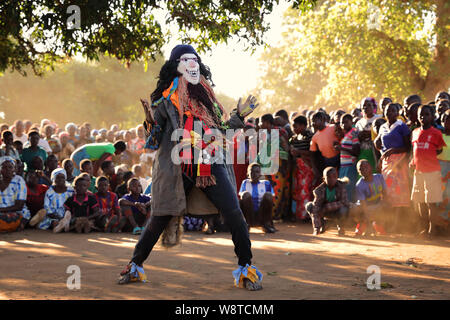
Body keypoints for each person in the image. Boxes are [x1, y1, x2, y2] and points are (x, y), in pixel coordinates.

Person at [117, 44, 263, 291]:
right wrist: (150, 123)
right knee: (161, 216)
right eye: (186, 59)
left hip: (211, 161)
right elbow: (153, 142)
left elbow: (223, 130)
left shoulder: (209, 99)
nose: (192, 63)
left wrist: (239, 115)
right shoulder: (164, 101)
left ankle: (246, 269)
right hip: (178, 166)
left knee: (234, 213)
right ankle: (134, 265)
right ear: (176, 66)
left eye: (194, 59)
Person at [410, 104, 446, 239]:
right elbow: (414, 150)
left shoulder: (436, 133)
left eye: (426, 114)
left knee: (431, 202)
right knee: (420, 202)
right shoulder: (415, 132)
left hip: (431, 172)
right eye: (421, 114)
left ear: (432, 117)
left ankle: (432, 229)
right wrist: (413, 161)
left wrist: (428, 157)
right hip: (418, 172)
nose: (423, 117)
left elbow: (440, 150)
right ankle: (423, 227)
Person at [375, 103, 411, 233]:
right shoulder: (383, 127)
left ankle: (398, 225)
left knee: (399, 194)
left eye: (392, 111)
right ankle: (389, 224)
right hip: (387, 162)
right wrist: (379, 147)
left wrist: (393, 150)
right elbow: (379, 142)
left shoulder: (402, 126)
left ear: (397, 112)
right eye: (387, 111)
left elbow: (408, 147)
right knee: (387, 192)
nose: (389, 113)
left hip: (399, 162)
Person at [258, 113, 292, 222]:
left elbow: (286, 147)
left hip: (279, 164)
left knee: (278, 189)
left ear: (267, 123)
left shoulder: (279, 132)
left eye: (262, 122)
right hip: (267, 164)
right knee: (268, 188)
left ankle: (276, 215)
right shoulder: (264, 133)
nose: (260, 124)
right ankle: (269, 214)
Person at [305, 167, 350, 236]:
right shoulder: (319, 190)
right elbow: (316, 208)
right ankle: (322, 225)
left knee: (344, 209)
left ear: (337, 177)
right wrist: (316, 228)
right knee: (310, 206)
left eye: (334, 177)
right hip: (324, 212)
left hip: (335, 211)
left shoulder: (341, 187)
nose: (332, 179)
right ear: (324, 179)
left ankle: (341, 227)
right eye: (329, 177)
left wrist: (327, 207)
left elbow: (344, 202)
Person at [354, 160, 388, 237]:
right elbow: (363, 206)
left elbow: (385, 194)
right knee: (356, 209)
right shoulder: (359, 185)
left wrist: (384, 203)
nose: (364, 170)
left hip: (377, 205)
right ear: (359, 172)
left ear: (371, 167)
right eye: (361, 169)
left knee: (386, 206)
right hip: (365, 207)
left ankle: (378, 225)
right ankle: (362, 226)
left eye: (366, 167)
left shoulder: (379, 177)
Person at [239, 163, 275, 233]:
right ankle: (246, 224)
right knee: (245, 195)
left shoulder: (266, 183)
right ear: (248, 174)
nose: (254, 174)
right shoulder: (245, 183)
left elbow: (271, 199)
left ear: (260, 174)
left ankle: (266, 224)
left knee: (268, 195)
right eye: (252, 172)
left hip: (261, 214)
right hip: (249, 214)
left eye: (257, 172)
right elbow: (241, 198)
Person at [290, 115, 314, 220]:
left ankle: (307, 215)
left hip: (308, 167)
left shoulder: (309, 136)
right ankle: (300, 214)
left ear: (303, 126)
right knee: (299, 191)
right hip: (298, 168)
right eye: (293, 126)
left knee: (306, 190)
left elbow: (312, 152)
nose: (294, 129)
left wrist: (299, 152)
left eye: (296, 126)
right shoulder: (295, 138)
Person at [0, 157, 30, 232]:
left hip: (16, 211)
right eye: (4, 167)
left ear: (14, 169)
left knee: (10, 218)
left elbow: (19, 206)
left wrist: (1, 210)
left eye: (10, 167)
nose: (7, 170)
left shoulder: (19, 180)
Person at [335, 113, 360, 202]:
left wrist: (341, 148)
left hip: (350, 166)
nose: (343, 125)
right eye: (342, 123)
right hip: (344, 166)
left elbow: (356, 152)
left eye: (346, 122)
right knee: (344, 190)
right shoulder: (346, 134)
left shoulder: (353, 133)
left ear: (351, 122)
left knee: (349, 190)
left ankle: (350, 212)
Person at [355, 97, 381, 174]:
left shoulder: (379, 118)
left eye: (369, 105)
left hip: (376, 151)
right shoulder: (359, 123)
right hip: (364, 152)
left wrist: (370, 133)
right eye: (364, 106)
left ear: (374, 106)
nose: (366, 108)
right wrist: (360, 136)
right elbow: (357, 138)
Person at [437, 110, 450, 226]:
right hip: (440, 169)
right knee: (439, 196)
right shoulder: (439, 136)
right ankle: (439, 224)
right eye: (447, 120)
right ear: (442, 121)